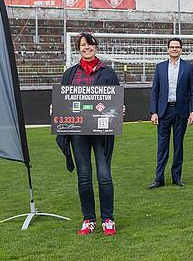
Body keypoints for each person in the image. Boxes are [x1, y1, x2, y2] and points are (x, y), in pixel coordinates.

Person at [55, 32, 120, 236]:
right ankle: (89, 219)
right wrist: (55, 109)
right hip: (78, 132)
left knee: (104, 175)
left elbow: (115, 102)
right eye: (83, 45)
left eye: (90, 44)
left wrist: (119, 110)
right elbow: (63, 100)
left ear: (96, 47)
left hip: (102, 131)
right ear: (79, 49)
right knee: (84, 177)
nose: (86, 47)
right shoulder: (70, 73)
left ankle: (108, 219)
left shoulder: (108, 73)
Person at [148, 38, 193, 189]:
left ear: (181, 49)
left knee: (178, 146)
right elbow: (155, 91)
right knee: (162, 146)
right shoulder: (160, 67)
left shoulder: (188, 67)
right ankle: (159, 178)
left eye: (177, 47)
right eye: (172, 47)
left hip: (181, 111)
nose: (174, 49)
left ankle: (177, 177)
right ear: (168, 49)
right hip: (164, 111)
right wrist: (154, 112)